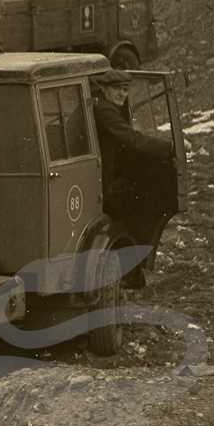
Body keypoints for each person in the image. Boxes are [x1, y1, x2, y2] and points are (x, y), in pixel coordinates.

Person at [91, 69, 180, 288]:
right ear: (104, 89)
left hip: (109, 178)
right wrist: (170, 147)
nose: (122, 94)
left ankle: (133, 271)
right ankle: (132, 273)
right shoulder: (105, 111)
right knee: (141, 208)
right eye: (116, 89)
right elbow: (131, 139)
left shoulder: (109, 108)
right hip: (104, 183)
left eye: (125, 89)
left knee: (140, 204)